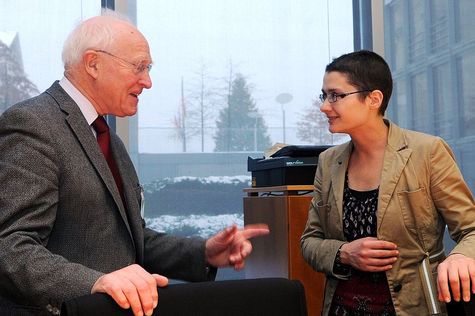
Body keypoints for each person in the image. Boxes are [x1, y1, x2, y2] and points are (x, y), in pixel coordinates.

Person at [0, 13, 269, 316]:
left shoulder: (107, 138)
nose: (148, 81)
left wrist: (203, 253)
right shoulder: (32, 124)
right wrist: (95, 282)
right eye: (140, 67)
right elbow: (10, 247)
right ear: (93, 63)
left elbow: (130, 237)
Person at [300, 50, 475, 316]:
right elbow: (310, 242)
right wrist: (344, 253)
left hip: (412, 308)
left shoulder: (427, 152)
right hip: (341, 308)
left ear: (374, 99)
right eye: (324, 95)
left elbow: (471, 229)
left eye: (335, 95)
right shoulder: (328, 161)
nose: (325, 105)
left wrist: (461, 256)